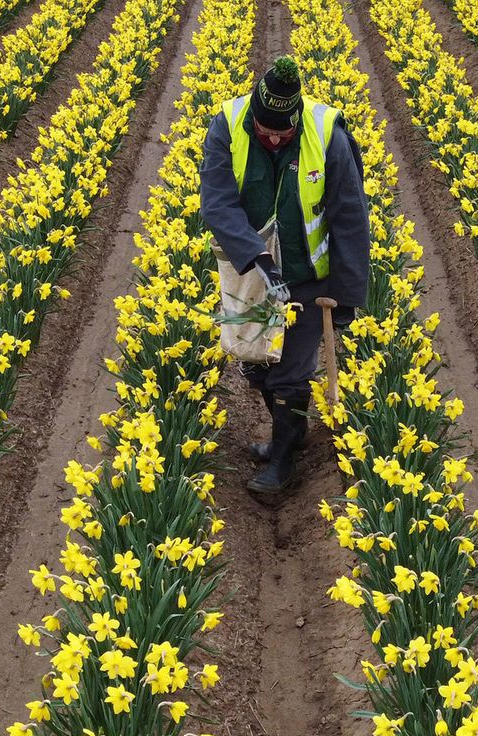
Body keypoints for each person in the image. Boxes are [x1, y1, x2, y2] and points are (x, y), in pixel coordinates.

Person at [199, 55, 370, 496]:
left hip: (309, 276)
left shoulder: (327, 135)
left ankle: (282, 458)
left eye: (283, 132)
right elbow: (217, 202)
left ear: (296, 120)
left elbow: (349, 215)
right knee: (255, 363)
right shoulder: (228, 126)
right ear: (254, 116)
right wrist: (258, 256)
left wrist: (348, 293)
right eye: (265, 131)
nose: (274, 138)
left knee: (289, 374)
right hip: (254, 272)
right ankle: (288, 432)